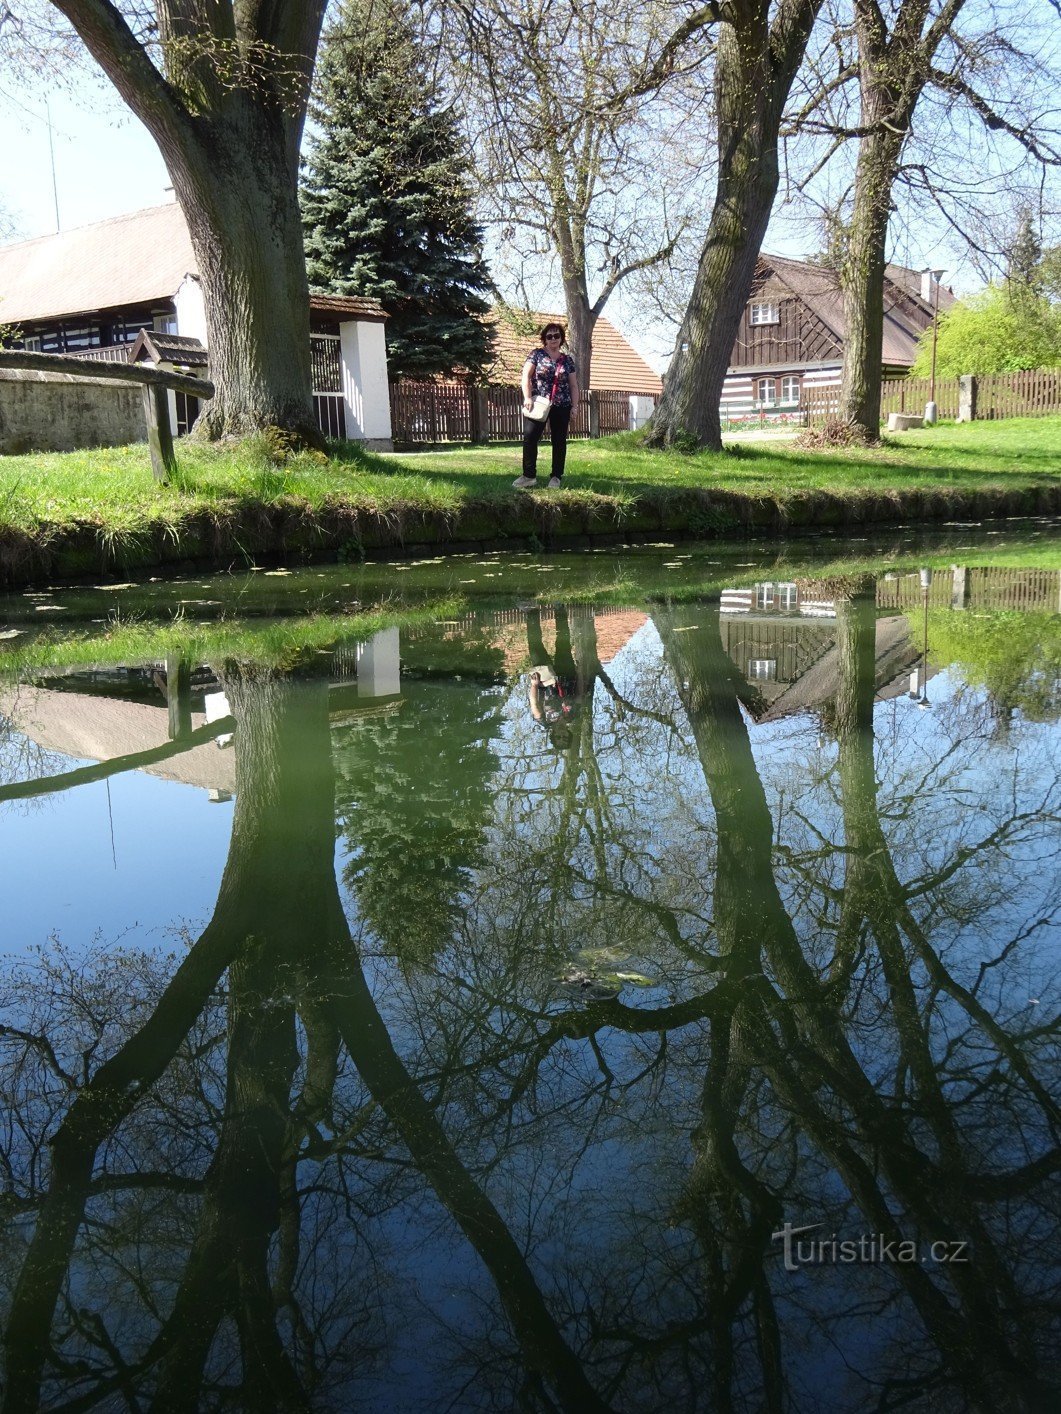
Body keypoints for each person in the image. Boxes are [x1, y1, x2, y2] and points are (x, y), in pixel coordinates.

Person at [512, 322, 579, 489]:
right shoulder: (536, 354)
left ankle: (556, 477)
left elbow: (573, 385)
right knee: (530, 437)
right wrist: (527, 397)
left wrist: (575, 406)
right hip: (539, 403)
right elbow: (525, 377)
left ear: (561, 339)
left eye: (557, 335)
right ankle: (529, 476)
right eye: (550, 336)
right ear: (545, 339)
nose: (553, 339)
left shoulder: (567, 360)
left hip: (561, 405)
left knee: (559, 441)